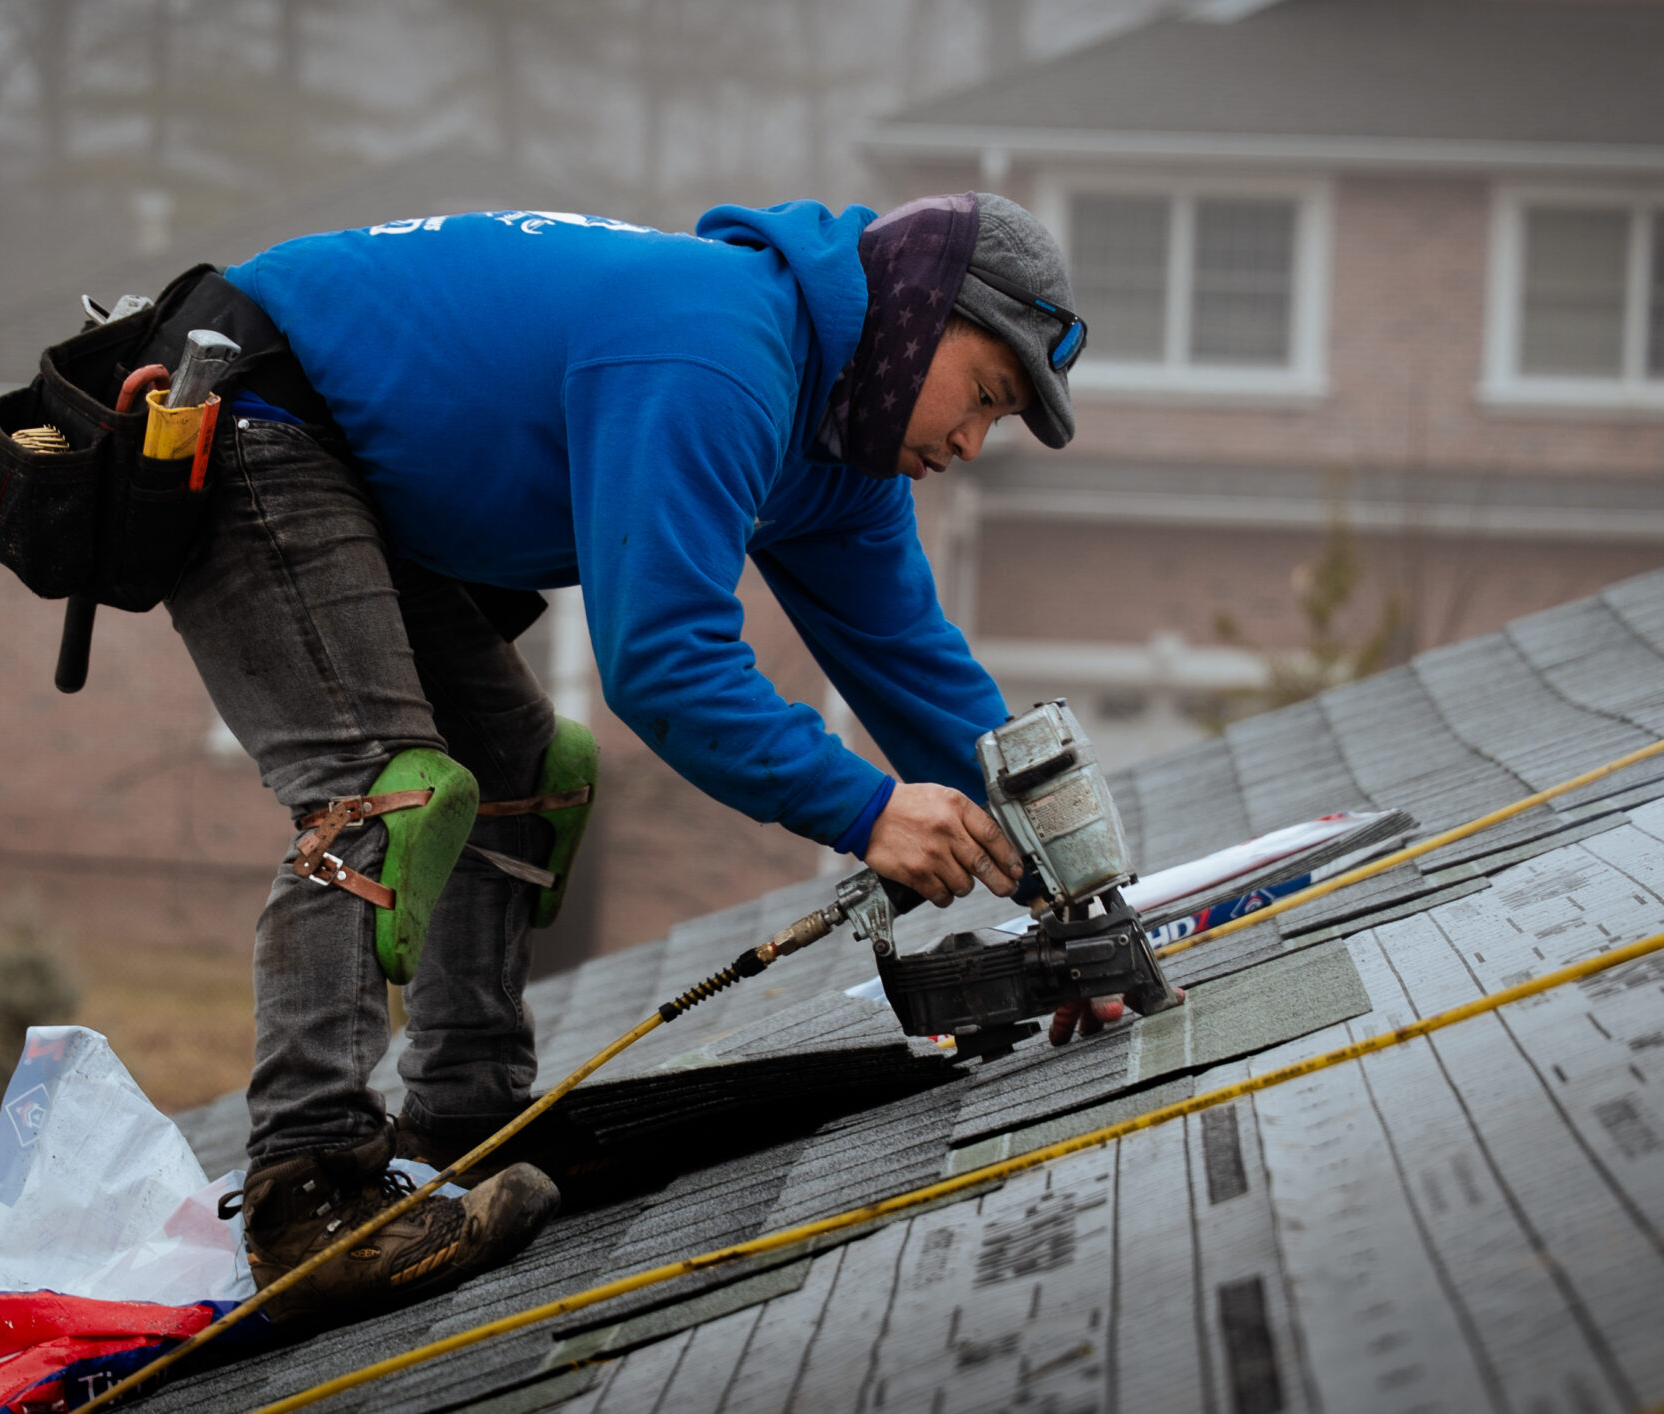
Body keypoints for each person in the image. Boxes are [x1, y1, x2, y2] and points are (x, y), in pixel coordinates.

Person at [171, 192, 1092, 1326]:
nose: (969, 443)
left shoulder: (845, 446)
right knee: (380, 789)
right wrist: (866, 811)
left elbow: (917, 670)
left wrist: (1077, 907)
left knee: (518, 767)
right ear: (911, 317)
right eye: (986, 396)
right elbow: (663, 663)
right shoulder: (721, 354)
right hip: (258, 409)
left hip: (350, 460)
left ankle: (462, 1121)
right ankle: (306, 1190)